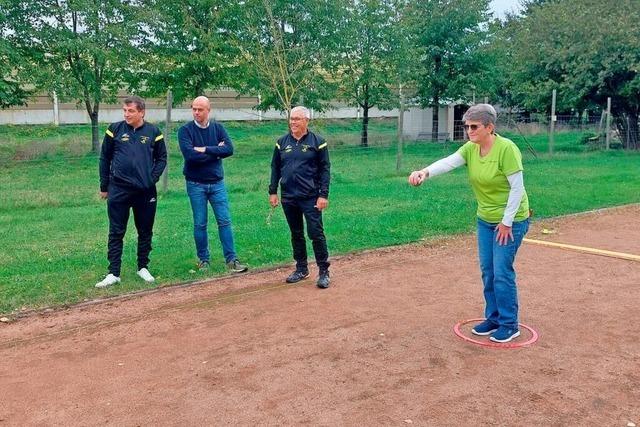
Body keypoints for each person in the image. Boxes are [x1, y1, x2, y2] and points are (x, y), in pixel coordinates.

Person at [408, 104, 530, 343]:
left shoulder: (507, 149)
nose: (469, 131)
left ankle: (509, 324)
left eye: (474, 127)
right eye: (466, 126)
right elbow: (450, 161)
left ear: (489, 127)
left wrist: (506, 222)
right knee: (488, 270)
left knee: (501, 272)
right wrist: (425, 172)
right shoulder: (471, 148)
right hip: (485, 219)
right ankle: (493, 318)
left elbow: (517, 188)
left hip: (511, 220)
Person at [96, 95, 167, 288]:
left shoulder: (154, 131)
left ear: (141, 112)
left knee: (145, 230)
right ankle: (113, 273)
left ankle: (142, 267)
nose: (127, 114)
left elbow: (162, 159)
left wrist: (151, 179)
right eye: (125, 111)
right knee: (116, 231)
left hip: (145, 191)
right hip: (118, 189)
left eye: (131, 111)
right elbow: (104, 158)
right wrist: (104, 186)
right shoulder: (114, 130)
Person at [178, 96, 248, 273]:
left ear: (209, 110)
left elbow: (229, 149)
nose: (196, 112)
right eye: (194, 109)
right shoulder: (185, 131)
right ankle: (203, 260)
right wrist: (217, 151)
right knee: (200, 223)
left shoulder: (218, 128)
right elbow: (190, 156)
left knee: (224, 221)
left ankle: (232, 260)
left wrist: (205, 149)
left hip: (217, 184)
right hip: (195, 184)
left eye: (200, 109)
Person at [269, 106, 332, 289]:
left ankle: (323, 271)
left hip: (311, 197)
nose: (293, 122)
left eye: (297, 119)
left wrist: (323, 195)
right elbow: (275, 168)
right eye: (291, 119)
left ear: (306, 120)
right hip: (289, 197)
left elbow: (325, 170)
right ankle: (301, 268)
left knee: (315, 233)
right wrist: (273, 191)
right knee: (296, 234)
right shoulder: (281, 143)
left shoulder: (318, 142)